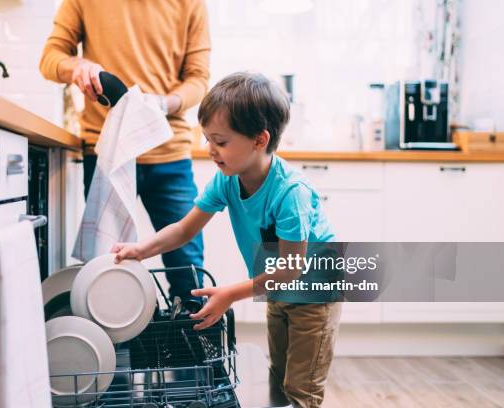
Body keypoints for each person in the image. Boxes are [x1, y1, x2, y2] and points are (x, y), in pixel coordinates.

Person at [111, 72, 342, 407]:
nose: (210, 150)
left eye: (220, 142)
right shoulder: (227, 181)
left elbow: (293, 268)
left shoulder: (291, 193)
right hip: (277, 286)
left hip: (315, 292)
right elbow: (184, 229)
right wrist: (141, 249)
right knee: (277, 378)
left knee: (300, 388)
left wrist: (230, 294)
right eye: (207, 139)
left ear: (259, 140)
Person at [39, 0, 211, 300]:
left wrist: (162, 104)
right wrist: (77, 66)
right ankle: (115, 349)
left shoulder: (190, 3)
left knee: (188, 273)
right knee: (106, 270)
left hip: (169, 154)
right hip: (108, 152)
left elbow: (198, 79)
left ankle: (191, 346)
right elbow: (50, 59)